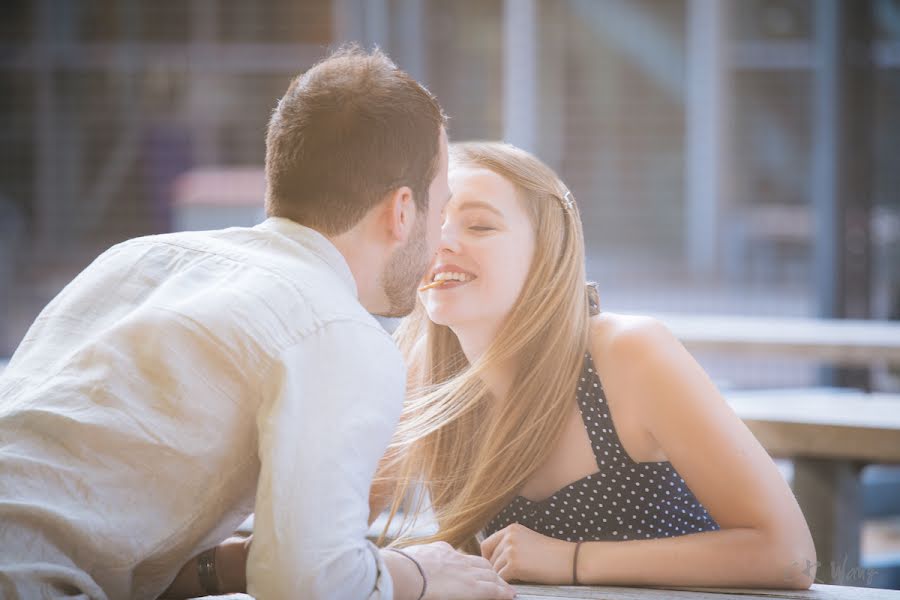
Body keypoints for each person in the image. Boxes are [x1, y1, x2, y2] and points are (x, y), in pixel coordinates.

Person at [184, 141, 818, 593]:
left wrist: (571, 560)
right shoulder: (414, 371)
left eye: (480, 225)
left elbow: (787, 555)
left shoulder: (629, 354)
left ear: (549, 253)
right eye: (434, 224)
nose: (443, 243)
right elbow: (315, 518)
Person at [0, 47, 516, 600]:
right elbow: (309, 588)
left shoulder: (135, 260)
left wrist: (234, 564)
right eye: (441, 208)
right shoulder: (338, 332)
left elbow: (79, 523)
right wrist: (419, 575)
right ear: (402, 210)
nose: (441, 235)